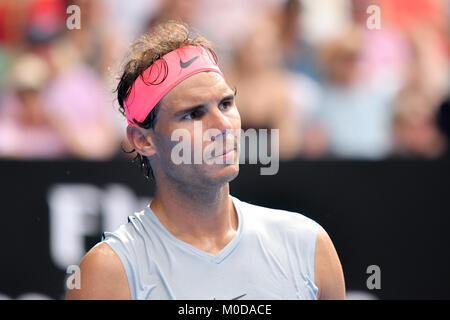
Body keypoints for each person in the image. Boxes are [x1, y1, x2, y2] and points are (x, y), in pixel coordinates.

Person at [66, 21, 345, 300]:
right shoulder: (108, 272)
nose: (223, 125)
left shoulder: (308, 246)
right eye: (193, 114)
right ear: (142, 139)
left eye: (226, 104)